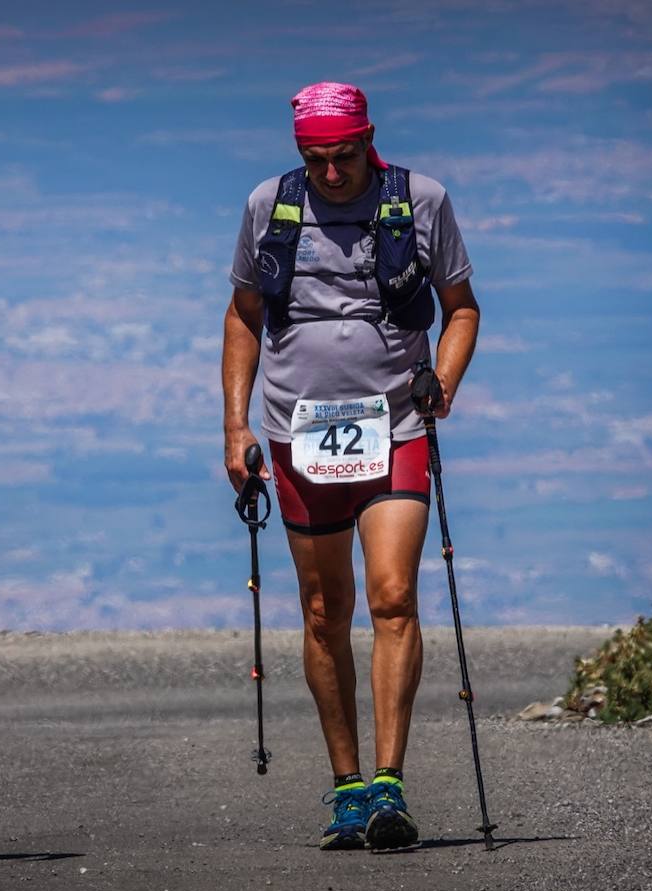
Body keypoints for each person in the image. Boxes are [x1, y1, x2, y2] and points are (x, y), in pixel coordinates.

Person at [222, 83, 480, 851]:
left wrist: (445, 382)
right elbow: (243, 316)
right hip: (298, 434)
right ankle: (347, 786)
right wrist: (235, 426)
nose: (331, 173)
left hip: (395, 423)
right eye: (315, 158)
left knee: (393, 594)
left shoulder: (421, 201)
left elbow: (461, 306)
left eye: (343, 156)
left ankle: (391, 782)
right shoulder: (270, 206)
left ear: (369, 139)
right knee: (324, 610)